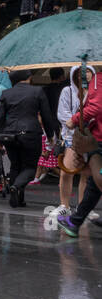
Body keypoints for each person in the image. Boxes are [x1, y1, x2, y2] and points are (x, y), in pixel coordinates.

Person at [0, 68, 55, 208]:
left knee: (15, 166)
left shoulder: (6, 93)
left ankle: (17, 199)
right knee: (30, 168)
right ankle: (16, 187)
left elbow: (0, 119)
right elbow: (46, 115)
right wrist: (50, 135)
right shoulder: (37, 91)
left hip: (9, 135)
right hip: (30, 133)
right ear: (29, 78)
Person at [56, 65, 96, 219]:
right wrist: (78, 125)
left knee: (87, 174)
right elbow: (63, 114)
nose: (84, 75)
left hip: (92, 138)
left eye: (87, 72)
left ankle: (83, 207)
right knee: (67, 171)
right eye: (79, 73)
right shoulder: (68, 92)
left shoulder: (97, 93)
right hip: (72, 137)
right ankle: (64, 205)